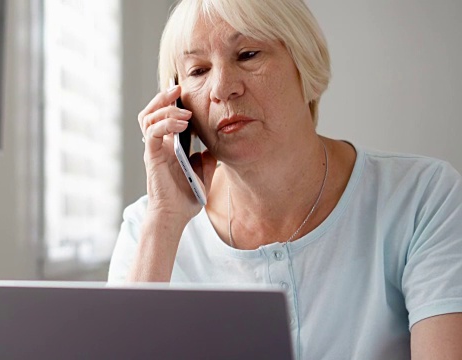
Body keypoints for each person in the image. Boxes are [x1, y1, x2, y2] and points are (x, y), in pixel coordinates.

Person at [107, 0, 462, 358]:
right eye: (197, 71)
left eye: (247, 54)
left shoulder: (424, 197)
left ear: (304, 66)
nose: (222, 88)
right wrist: (165, 221)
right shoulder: (147, 228)